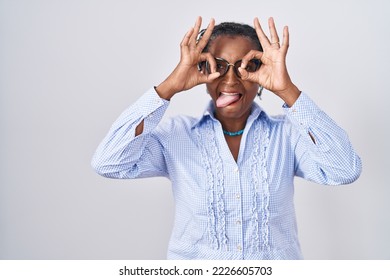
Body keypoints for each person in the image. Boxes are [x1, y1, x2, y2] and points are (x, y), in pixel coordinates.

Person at [91, 16, 362, 259]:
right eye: (218, 66)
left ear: (261, 71)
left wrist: (287, 89)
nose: (231, 80)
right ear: (201, 70)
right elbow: (109, 162)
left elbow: (344, 170)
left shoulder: (287, 135)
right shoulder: (176, 135)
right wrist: (168, 87)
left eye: (247, 66)